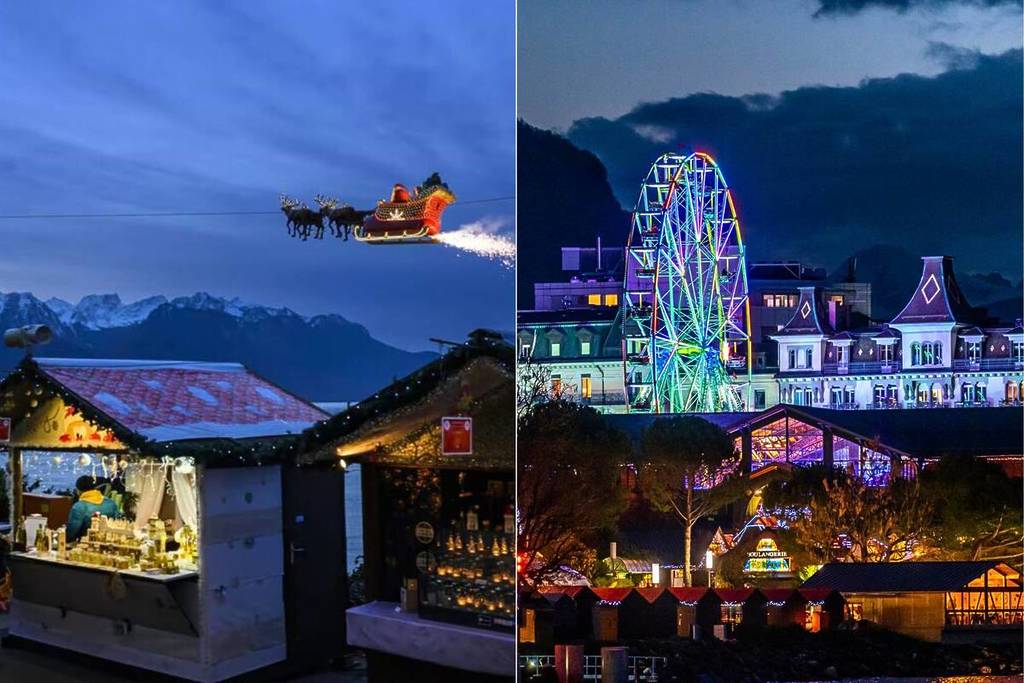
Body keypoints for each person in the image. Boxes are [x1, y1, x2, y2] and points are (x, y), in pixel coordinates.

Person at [66, 476, 121, 541]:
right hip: (109, 542)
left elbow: (71, 533)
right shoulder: (111, 503)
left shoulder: (79, 507)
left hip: (85, 544)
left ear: (78, 490)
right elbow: (118, 523)